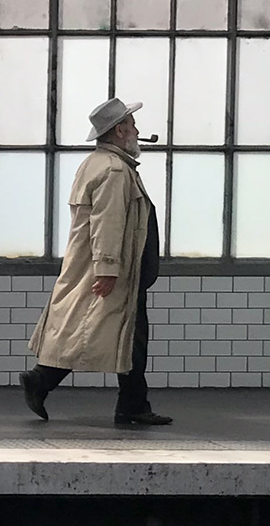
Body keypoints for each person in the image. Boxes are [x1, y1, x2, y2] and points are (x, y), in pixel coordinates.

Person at [20, 97, 170, 425]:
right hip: (113, 270)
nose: (137, 131)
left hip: (106, 267)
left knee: (107, 332)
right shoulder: (115, 171)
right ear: (119, 131)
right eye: (132, 125)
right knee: (119, 334)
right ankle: (46, 381)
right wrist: (107, 268)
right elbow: (107, 222)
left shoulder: (96, 164)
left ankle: (128, 402)